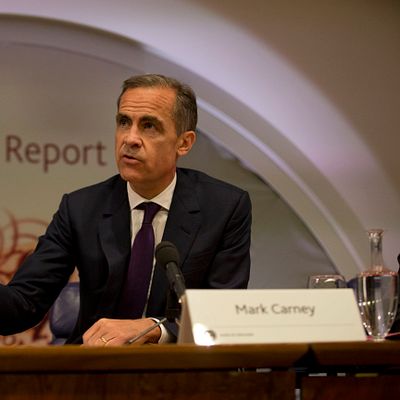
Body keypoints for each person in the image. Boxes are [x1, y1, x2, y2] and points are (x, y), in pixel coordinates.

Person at [0, 74, 251, 345]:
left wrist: (154, 328)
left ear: (184, 143)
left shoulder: (224, 207)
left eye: (149, 126)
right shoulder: (80, 209)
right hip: (96, 363)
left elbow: (223, 313)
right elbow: (22, 305)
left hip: (180, 364)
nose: (130, 139)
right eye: (123, 122)